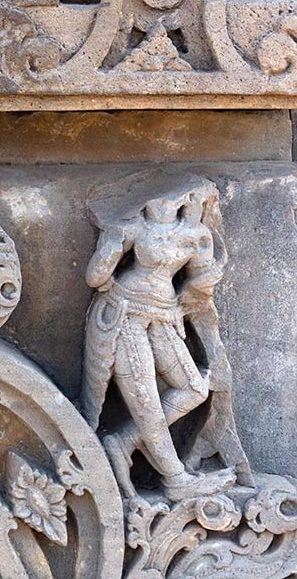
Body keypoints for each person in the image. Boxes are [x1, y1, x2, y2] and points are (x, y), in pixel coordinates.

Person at [82, 175, 246, 500]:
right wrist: (111, 246)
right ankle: (175, 478)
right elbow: (95, 278)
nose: (163, 205)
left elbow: (201, 280)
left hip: (165, 316)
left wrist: (204, 274)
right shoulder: (132, 228)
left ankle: (123, 441)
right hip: (125, 314)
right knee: (146, 401)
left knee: (194, 388)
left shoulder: (195, 233)